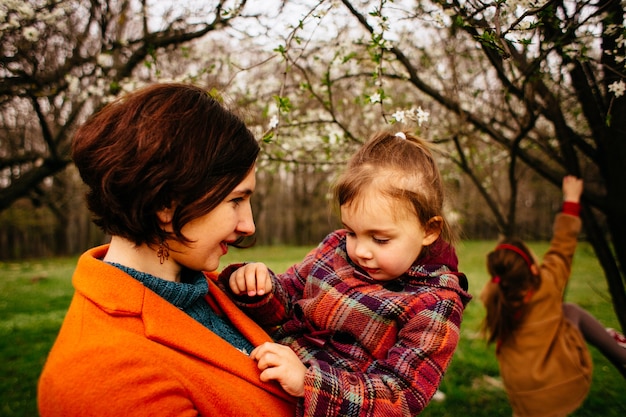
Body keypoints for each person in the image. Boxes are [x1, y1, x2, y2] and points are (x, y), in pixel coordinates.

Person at [37, 83, 297, 416]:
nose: (248, 225)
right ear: (165, 205)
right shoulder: (102, 375)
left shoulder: (205, 289)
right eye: (235, 200)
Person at [218, 130, 472, 417]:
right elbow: (287, 296)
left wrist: (308, 383)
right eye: (352, 231)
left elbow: (400, 397)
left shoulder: (434, 304)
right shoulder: (334, 249)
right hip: (263, 381)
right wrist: (259, 288)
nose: (360, 250)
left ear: (429, 230)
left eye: (380, 239)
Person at [480, 175, 626, 417]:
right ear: (533, 269)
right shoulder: (546, 284)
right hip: (567, 385)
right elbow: (562, 245)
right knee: (570, 311)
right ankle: (620, 351)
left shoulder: (494, 298)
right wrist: (571, 199)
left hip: (524, 400)